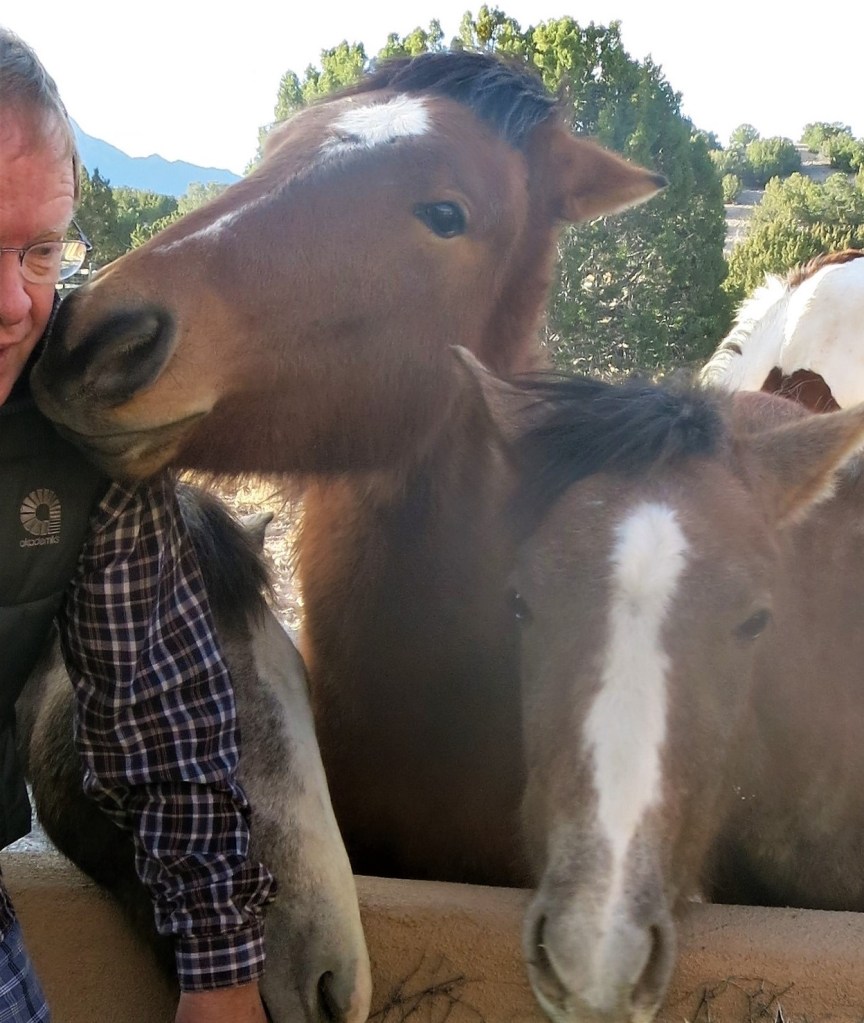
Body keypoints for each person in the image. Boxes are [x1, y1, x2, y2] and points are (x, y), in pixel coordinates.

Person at [0, 28, 274, 1023]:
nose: (11, 303)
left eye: (38, 250)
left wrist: (220, 975)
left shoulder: (78, 415)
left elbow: (159, 714)